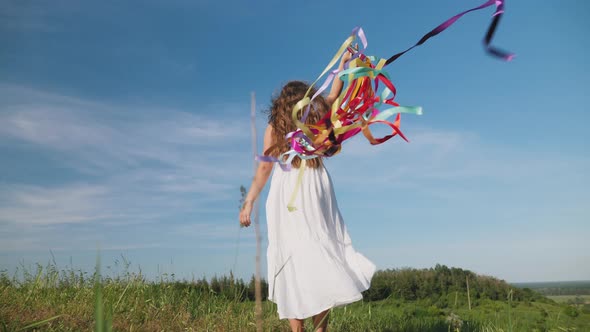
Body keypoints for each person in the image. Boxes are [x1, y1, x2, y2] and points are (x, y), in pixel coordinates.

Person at [239, 51, 375, 332]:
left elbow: (264, 169)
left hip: (289, 189)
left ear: (280, 105)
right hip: (314, 184)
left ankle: (296, 329)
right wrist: (341, 66)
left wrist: (249, 202)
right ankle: (320, 329)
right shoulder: (316, 117)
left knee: (293, 256)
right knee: (320, 251)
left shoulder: (274, 128)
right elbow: (334, 93)